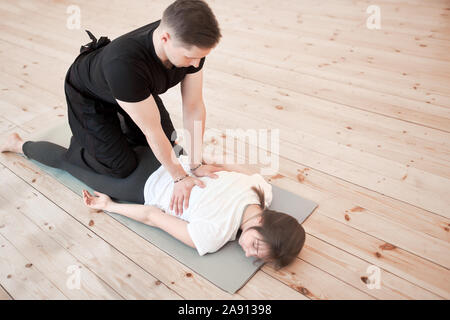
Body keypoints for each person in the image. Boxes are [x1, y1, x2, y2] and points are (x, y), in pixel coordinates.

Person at [1, 133, 306, 270]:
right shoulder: (213, 236)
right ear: (265, 222)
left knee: (116, 137)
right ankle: (17, 144)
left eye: (256, 258)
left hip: (171, 156)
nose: (247, 253)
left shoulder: (261, 189)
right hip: (139, 184)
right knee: (71, 163)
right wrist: (109, 206)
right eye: (255, 246)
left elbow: (228, 164)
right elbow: (152, 216)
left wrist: (201, 161)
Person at [63, 0, 224, 216]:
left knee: (169, 139)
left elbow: (193, 107)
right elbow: (151, 129)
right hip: (89, 95)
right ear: (165, 39)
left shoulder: (188, 43)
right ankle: (81, 143)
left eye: (202, 57)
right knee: (121, 167)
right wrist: (180, 177)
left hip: (134, 90)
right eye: (190, 57)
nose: (196, 64)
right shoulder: (124, 64)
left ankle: (117, 128)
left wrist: (195, 165)